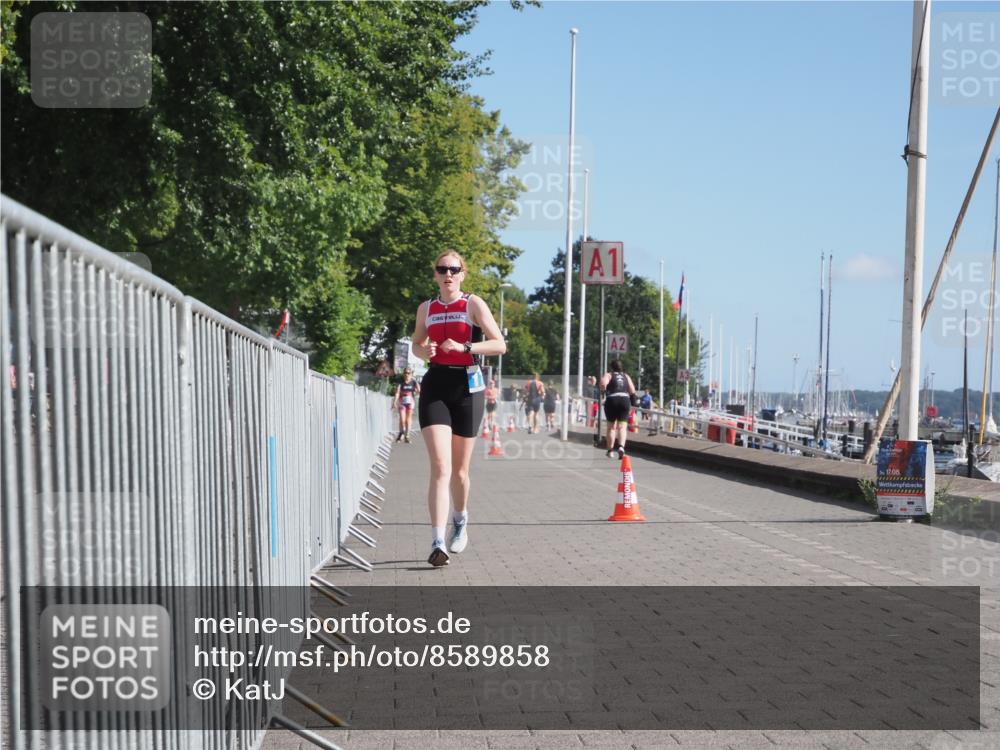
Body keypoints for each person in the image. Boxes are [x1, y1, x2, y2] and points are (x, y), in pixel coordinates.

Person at [411, 251, 506, 567]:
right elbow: (416, 342)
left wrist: (466, 347)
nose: (447, 274)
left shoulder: (473, 304)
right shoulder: (427, 308)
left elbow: (499, 344)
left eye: (453, 269)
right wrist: (423, 349)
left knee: (460, 472)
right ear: (435, 275)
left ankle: (461, 518)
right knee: (440, 466)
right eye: (442, 269)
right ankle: (438, 542)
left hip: (467, 387)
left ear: (462, 274)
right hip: (436, 385)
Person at [600, 359, 637, 459]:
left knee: (611, 427)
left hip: (612, 400)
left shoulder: (609, 375)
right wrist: (633, 403)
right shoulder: (626, 376)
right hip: (625, 400)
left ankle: (610, 450)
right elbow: (632, 390)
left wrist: (603, 393)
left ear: (611, 367)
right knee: (622, 427)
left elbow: (603, 384)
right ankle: (621, 447)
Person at [394, 368, 420, 442]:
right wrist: (394, 402)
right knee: (402, 419)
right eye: (405, 373)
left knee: (408, 419)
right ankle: (401, 432)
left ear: (411, 374)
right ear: (403, 373)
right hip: (402, 402)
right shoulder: (401, 382)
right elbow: (397, 392)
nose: (407, 374)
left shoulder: (414, 382)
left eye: (409, 373)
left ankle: (407, 435)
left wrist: (416, 392)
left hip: (410, 402)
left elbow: (419, 391)